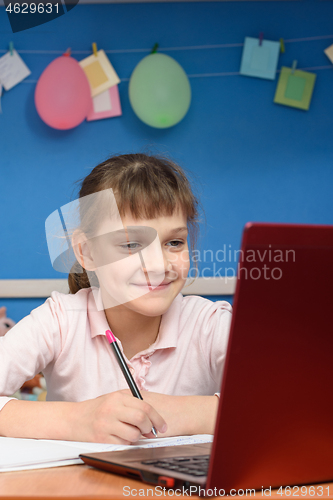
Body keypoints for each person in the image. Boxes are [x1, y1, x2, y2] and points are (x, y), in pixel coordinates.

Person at [0, 153, 232, 444]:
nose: (158, 265)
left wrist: (182, 412)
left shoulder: (210, 325)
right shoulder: (60, 320)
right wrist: (78, 420)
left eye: (174, 242)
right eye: (131, 244)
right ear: (87, 252)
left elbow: (292, 402)